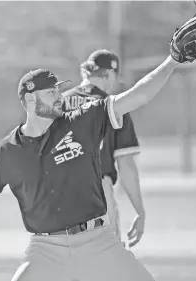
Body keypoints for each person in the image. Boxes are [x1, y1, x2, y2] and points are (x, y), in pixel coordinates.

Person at [0, 53, 178, 281]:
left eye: (58, 90)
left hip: (98, 241)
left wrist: (172, 60)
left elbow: (136, 96)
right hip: (45, 250)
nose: (59, 96)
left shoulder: (81, 121)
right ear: (28, 99)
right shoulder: (8, 151)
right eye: (50, 92)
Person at [62, 49, 144, 246]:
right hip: (98, 192)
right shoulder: (113, 106)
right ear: (109, 73)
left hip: (60, 193)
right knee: (105, 264)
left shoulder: (58, 103)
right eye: (115, 76)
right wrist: (140, 211)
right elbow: (126, 165)